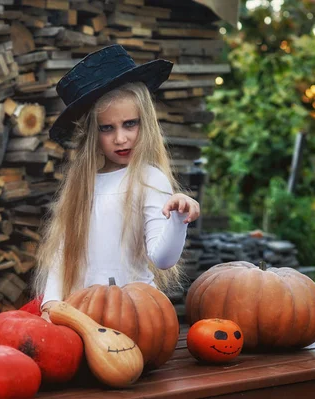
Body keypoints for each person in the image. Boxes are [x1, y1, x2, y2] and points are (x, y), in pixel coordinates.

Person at [33, 44, 200, 317]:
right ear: (91, 135)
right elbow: (62, 255)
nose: (121, 139)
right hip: (81, 312)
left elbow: (163, 259)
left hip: (135, 312)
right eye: (107, 128)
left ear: (145, 122)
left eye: (130, 124)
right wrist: (50, 303)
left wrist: (178, 218)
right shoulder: (82, 185)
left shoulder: (149, 179)